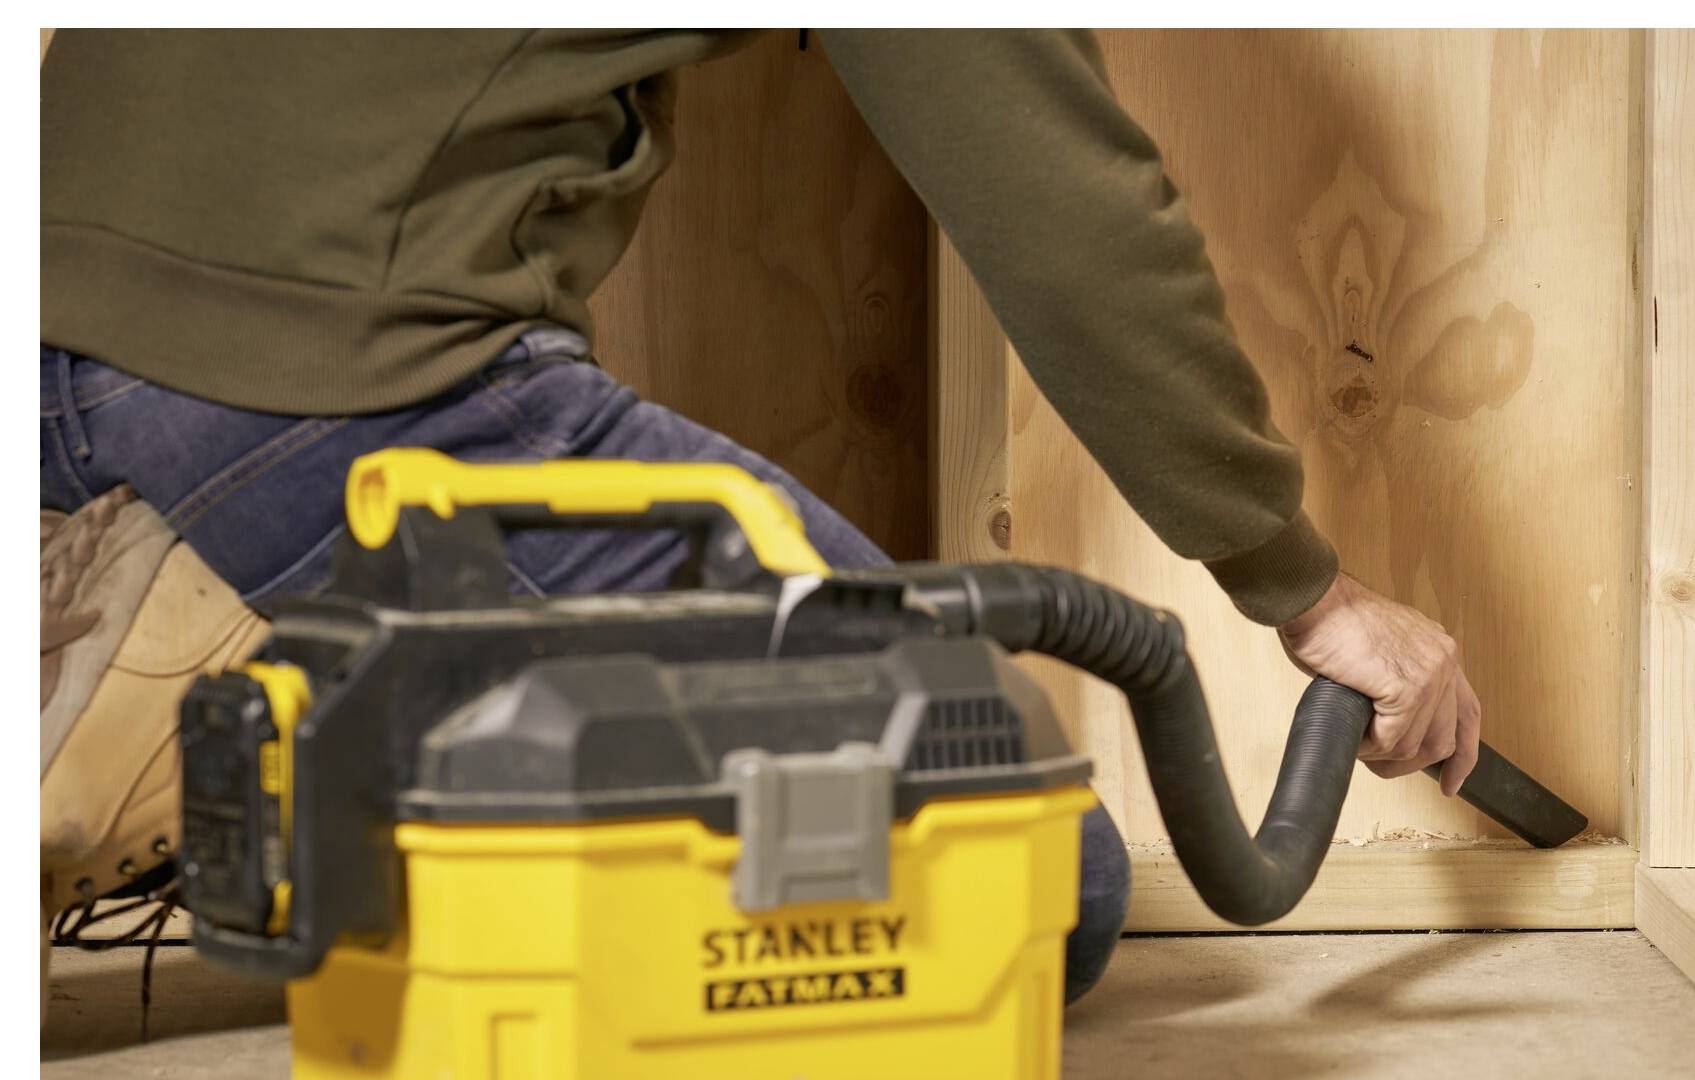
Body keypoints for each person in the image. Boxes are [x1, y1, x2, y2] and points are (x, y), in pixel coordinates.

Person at [39, 29, 1480, 1005]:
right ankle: (262, 707)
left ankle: (158, 584)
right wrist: (1310, 591)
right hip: (338, 383)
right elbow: (1064, 208)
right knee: (1025, 897)